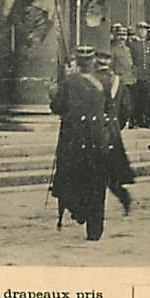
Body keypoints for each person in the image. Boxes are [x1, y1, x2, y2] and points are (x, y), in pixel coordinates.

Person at [50, 46, 110, 241]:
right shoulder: (102, 82)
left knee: (72, 178)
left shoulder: (69, 82)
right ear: (93, 62)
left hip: (73, 141)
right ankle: (95, 229)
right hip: (98, 140)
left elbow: (58, 107)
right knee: (97, 183)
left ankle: (80, 211)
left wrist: (53, 93)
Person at [94, 50, 134, 215]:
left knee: (92, 167)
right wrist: (118, 125)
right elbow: (126, 108)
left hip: (94, 129)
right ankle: (123, 195)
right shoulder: (118, 82)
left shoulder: (92, 80)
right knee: (110, 167)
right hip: (112, 130)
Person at [110, 24, 135, 129]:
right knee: (120, 105)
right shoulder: (113, 50)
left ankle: (123, 123)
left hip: (129, 80)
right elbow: (111, 66)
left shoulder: (128, 49)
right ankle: (118, 125)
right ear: (116, 36)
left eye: (124, 35)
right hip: (119, 81)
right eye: (120, 35)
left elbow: (131, 64)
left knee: (127, 105)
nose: (122, 37)